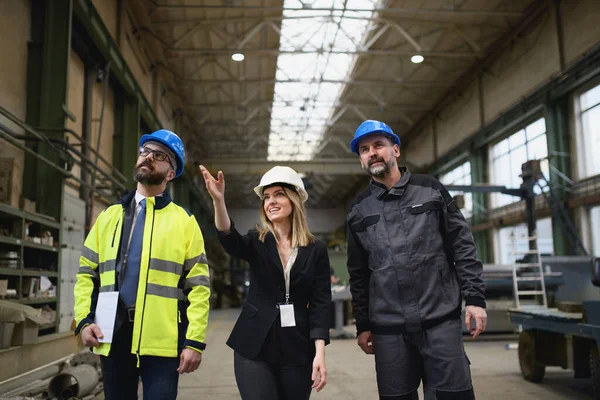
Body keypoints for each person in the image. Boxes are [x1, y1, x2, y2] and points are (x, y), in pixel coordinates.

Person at [345, 120, 487, 400]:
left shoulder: (431, 190)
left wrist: (475, 299)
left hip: (440, 320)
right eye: (364, 149)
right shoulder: (358, 210)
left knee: (454, 395)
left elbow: (463, 247)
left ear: (395, 150)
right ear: (361, 159)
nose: (372, 152)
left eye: (378, 145)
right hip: (389, 330)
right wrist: (363, 325)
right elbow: (359, 273)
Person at [74, 129, 211, 400]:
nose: (148, 157)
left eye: (159, 156)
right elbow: (86, 273)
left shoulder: (184, 222)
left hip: (161, 341)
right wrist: (83, 320)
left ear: (171, 173)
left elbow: (200, 287)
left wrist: (194, 341)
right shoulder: (108, 217)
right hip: (111, 333)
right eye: (145, 151)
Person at [200, 164, 331, 400]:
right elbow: (230, 239)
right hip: (254, 344)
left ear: (294, 200)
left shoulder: (316, 250)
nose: (271, 201)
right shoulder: (257, 240)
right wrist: (219, 201)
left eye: (279, 194)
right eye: (267, 197)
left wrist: (319, 353)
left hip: (298, 347)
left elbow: (321, 304)